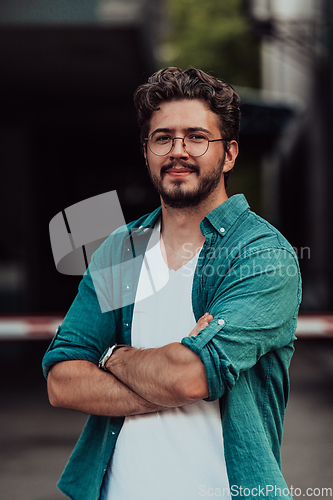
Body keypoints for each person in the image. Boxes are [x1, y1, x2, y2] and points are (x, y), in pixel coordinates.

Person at [42, 67, 302, 500]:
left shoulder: (262, 256)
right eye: (162, 138)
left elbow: (190, 377)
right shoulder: (122, 249)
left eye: (197, 137)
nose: (177, 151)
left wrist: (111, 357)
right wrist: (173, 370)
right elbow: (62, 380)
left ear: (230, 153)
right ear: (146, 152)